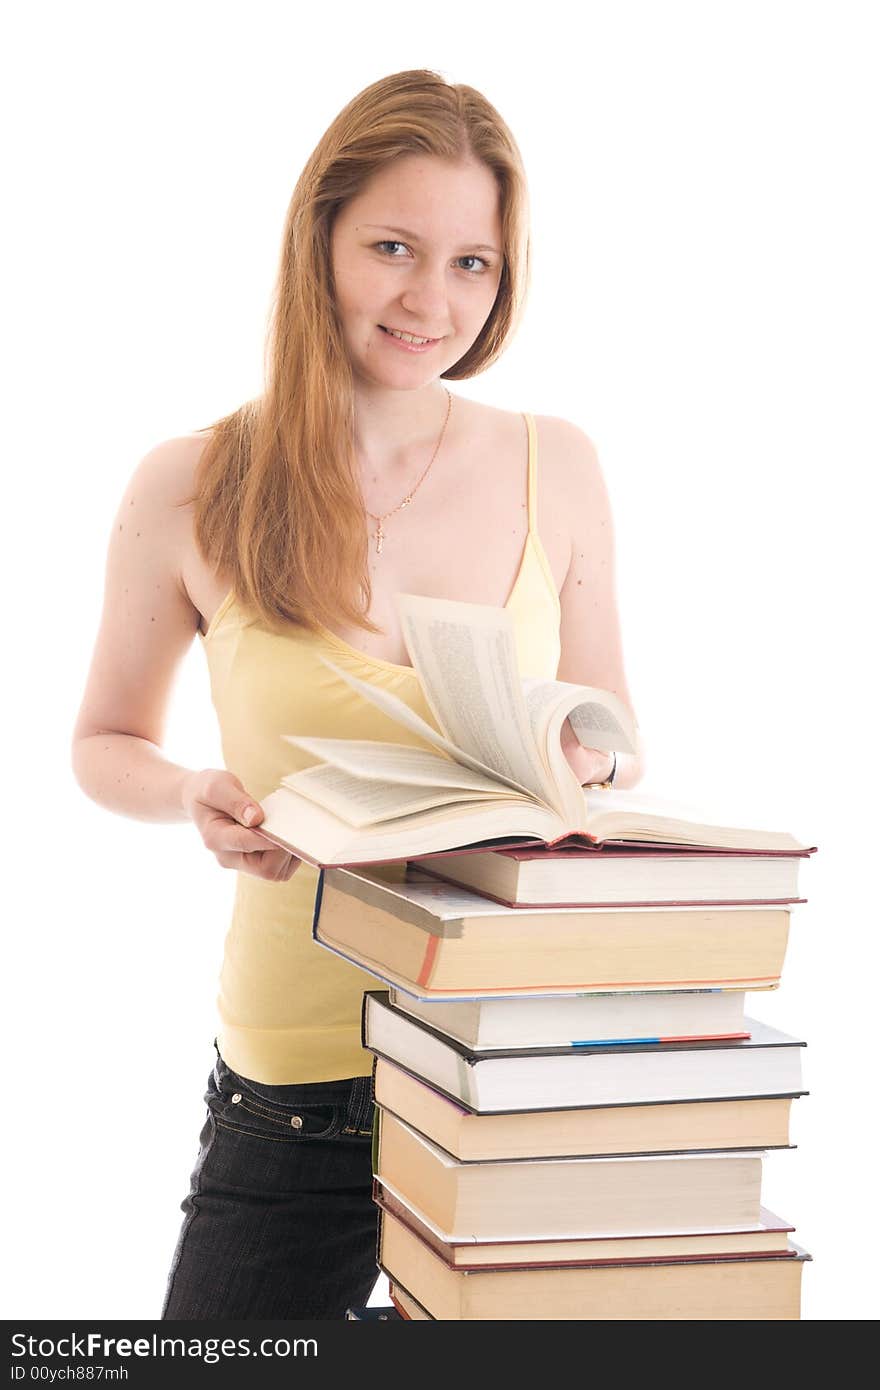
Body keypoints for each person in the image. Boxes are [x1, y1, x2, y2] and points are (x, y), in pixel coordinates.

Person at [70, 68, 645, 1320]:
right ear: (317, 237)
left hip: (514, 1060)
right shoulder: (192, 482)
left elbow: (611, 732)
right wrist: (190, 796)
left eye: (471, 264)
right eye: (392, 247)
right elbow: (104, 739)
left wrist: (573, 762)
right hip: (298, 1085)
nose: (429, 299)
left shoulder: (561, 462)